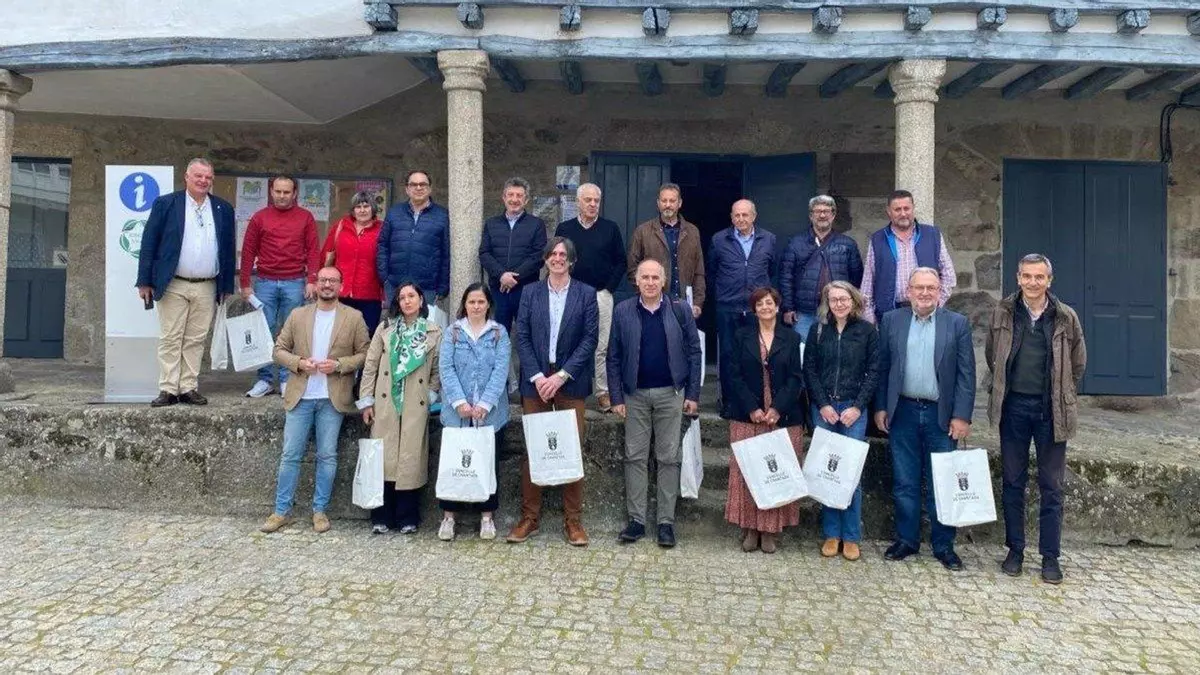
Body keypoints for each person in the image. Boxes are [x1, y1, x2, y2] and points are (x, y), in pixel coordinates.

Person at [986, 253, 1087, 585]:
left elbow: (1078, 363)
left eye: (1039, 277)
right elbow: (992, 354)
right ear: (1018, 278)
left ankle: (1050, 556)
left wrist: (1061, 393)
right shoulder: (1002, 311)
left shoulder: (1065, 316)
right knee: (1012, 482)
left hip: (1050, 411)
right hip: (1013, 408)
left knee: (1052, 486)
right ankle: (1015, 550)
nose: (1033, 282)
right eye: (1027, 276)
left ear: (1049, 280)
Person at [874, 267, 975, 571]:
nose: (925, 293)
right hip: (902, 412)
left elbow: (966, 375)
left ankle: (944, 545)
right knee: (904, 482)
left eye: (931, 287)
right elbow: (883, 368)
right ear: (909, 291)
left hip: (940, 415)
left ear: (940, 291)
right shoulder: (892, 321)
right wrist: (881, 407)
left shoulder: (956, 324)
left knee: (941, 482)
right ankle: (907, 540)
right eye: (919, 287)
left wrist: (961, 416)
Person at [259, 266, 370, 534]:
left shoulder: (353, 317)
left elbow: (366, 354)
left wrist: (340, 365)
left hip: (332, 398)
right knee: (290, 455)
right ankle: (281, 511)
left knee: (327, 455)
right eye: (323, 280)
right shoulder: (298, 315)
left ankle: (319, 511)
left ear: (341, 285)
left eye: (332, 280)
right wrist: (299, 363)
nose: (327, 285)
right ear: (316, 284)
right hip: (301, 395)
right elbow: (278, 350)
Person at [508, 237, 599, 546]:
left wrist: (560, 376)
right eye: (553, 254)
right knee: (533, 449)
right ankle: (529, 518)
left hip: (570, 382)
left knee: (571, 450)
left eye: (563, 254)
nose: (558, 258)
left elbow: (589, 339)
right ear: (546, 259)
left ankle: (573, 521)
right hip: (536, 382)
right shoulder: (530, 292)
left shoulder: (586, 294)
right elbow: (522, 336)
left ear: (571, 260)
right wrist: (538, 376)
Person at [607, 259, 702, 548]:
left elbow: (694, 352)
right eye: (644, 277)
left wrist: (693, 394)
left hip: (671, 394)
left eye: (654, 277)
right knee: (634, 456)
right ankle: (636, 521)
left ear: (663, 281)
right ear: (636, 281)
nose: (650, 282)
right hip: (634, 395)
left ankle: (665, 523)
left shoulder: (679, 310)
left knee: (669, 458)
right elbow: (613, 356)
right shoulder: (623, 310)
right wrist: (616, 397)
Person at [135, 158, 236, 407]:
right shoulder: (166, 204)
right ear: (187, 177)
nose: (203, 181)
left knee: (196, 338)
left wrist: (226, 286)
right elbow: (149, 242)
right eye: (198, 176)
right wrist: (144, 281)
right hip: (173, 283)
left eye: (208, 177)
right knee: (171, 337)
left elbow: (228, 249)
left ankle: (188, 387)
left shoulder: (223, 208)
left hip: (207, 284)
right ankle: (168, 388)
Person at [724, 286, 806, 554]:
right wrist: (751, 408)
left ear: (777, 306)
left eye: (769, 303)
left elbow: (796, 378)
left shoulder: (792, 338)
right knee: (748, 473)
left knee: (775, 473)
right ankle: (750, 528)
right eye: (760, 304)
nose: (765, 307)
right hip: (748, 415)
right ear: (754, 309)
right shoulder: (741, 336)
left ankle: (770, 530)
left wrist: (778, 408)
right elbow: (733, 374)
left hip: (782, 416)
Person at [357, 281, 442, 535]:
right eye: (402, 297)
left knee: (410, 460)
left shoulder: (433, 331)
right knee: (385, 458)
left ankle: (407, 517)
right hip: (386, 401)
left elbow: (437, 369)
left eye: (412, 296)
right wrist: (366, 400)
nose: (407, 301)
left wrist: (430, 394)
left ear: (421, 300)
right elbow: (370, 365)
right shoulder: (385, 329)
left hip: (415, 402)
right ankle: (381, 516)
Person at [802, 281, 879, 561]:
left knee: (850, 473)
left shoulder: (867, 331)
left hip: (852, 410)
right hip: (824, 409)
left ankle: (851, 536)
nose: (839, 304)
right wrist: (822, 404)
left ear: (854, 301)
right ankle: (831, 534)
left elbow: (874, 371)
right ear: (827, 303)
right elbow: (809, 369)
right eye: (834, 299)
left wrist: (858, 407)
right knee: (827, 472)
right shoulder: (818, 330)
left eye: (844, 299)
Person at [436, 283, 511, 541]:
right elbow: (446, 368)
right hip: (457, 413)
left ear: (488, 304)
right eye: (471, 302)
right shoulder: (453, 332)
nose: (476, 306)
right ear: (464, 305)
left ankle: (487, 517)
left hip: (489, 414)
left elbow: (501, 370)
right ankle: (449, 517)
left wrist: (485, 404)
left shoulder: (499, 333)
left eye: (481, 302)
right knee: (453, 463)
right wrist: (459, 402)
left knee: (489, 463)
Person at [240, 174, 321, 398]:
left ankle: (287, 378)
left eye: (287, 192)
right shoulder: (259, 217)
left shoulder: (305, 217)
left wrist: (312, 279)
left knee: (291, 332)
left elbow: (313, 250)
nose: (282, 196)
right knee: (263, 331)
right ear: (271, 191)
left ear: (294, 193)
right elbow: (248, 251)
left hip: (294, 281)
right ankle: (264, 380)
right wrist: (245, 283)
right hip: (264, 282)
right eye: (278, 191)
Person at [555, 182, 627, 412]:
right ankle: (568, 389)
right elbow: (557, 259)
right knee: (570, 342)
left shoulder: (610, 228)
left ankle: (603, 392)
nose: (593, 204)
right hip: (571, 294)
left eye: (596, 200)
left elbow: (621, 261)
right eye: (588, 200)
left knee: (602, 345)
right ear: (578, 202)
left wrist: (608, 288)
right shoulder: (565, 228)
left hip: (600, 294)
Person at [708, 199, 777, 417]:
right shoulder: (719, 239)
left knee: (757, 355)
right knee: (728, 355)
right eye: (736, 215)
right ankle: (730, 403)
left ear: (754, 216)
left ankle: (755, 403)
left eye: (745, 215)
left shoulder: (769, 239)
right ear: (731, 217)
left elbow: (772, 270)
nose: (741, 219)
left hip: (758, 308)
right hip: (728, 307)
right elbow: (712, 271)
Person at [861, 190, 956, 324]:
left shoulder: (932, 235)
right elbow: (868, 282)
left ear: (913, 208)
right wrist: (871, 320)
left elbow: (949, 275)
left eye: (906, 208)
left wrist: (936, 303)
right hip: (889, 314)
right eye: (897, 209)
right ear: (889, 211)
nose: (903, 213)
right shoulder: (877, 239)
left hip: (927, 313)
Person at [781, 195, 864, 341]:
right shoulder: (795, 243)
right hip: (805, 312)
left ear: (833, 215)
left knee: (836, 351)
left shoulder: (848, 244)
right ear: (811, 215)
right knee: (804, 351)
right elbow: (786, 277)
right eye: (818, 211)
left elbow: (857, 278)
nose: (822, 215)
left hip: (838, 311)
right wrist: (788, 308)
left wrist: (852, 306)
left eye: (826, 211)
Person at [627, 183, 705, 319]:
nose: (667, 205)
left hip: (684, 305)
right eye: (664, 201)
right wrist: (647, 295)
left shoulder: (693, 232)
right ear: (658, 203)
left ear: (679, 203)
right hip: (653, 305)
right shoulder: (643, 231)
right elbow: (632, 269)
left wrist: (698, 303)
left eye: (672, 201)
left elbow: (699, 271)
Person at [479, 177, 548, 332]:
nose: (514, 199)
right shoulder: (491, 224)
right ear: (504, 198)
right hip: (499, 290)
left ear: (526, 200)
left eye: (519, 196)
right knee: (498, 335)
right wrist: (502, 275)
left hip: (526, 290)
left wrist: (513, 278)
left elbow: (538, 256)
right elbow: (484, 253)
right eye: (510, 195)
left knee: (526, 334)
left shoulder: (536, 224)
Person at [377, 170, 450, 306]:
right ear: (407, 189)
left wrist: (442, 287)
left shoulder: (442, 215)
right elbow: (383, 245)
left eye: (423, 184)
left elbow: (446, 254)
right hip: (395, 286)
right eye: (413, 184)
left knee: (424, 321)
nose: (418, 188)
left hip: (427, 287)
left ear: (430, 188)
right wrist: (384, 278)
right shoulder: (394, 212)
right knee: (395, 320)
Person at [320, 191, 384, 338]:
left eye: (366, 206)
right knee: (339, 337)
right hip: (341, 292)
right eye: (358, 207)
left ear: (373, 208)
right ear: (353, 210)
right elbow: (325, 254)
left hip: (370, 294)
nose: (362, 210)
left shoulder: (382, 229)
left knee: (366, 336)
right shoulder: (341, 226)